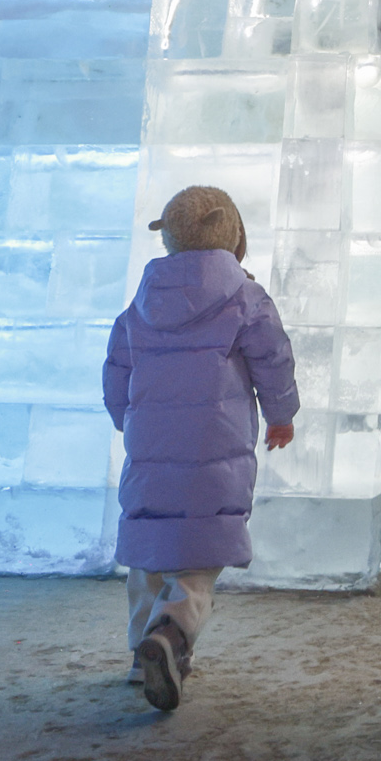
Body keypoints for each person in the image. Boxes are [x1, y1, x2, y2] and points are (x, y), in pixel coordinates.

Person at [104, 185, 299, 713]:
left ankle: (138, 654)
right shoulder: (244, 295)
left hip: (149, 449)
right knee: (197, 557)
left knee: (150, 549)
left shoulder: (143, 300)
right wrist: (282, 414)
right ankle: (170, 637)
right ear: (231, 230)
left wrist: (126, 417)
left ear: (167, 237)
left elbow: (116, 366)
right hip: (216, 448)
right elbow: (273, 358)